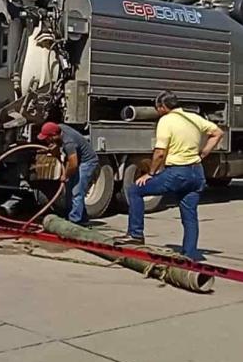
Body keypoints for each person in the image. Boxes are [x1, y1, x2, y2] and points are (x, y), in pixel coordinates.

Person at [115, 91, 224, 260]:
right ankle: (190, 253)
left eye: (157, 108)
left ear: (163, 107)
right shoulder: (193, 117)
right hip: (196, 172)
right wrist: (203, 153)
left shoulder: (166, 121)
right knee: (190, 215)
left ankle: (135, 234)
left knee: (135, 190)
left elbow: (159, 152)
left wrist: (150, 173)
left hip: (177, 172)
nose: (157, 111)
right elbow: (218, 133)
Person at [37, 121, 100, 226]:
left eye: (47, 138)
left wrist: (65, 175)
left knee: (77, 191)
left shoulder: (69, 142)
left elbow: (73, 164)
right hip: (77, 160)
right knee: (70, 189)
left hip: (87, 162)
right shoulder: (59, 128)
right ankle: (81, 218)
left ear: (54, 135)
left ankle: (75, 221)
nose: (46, 140)